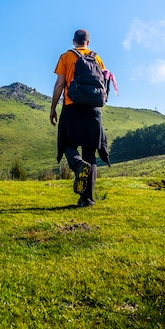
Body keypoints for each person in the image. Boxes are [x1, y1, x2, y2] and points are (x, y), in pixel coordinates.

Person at [49, 29, 110, 207]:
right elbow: (103, 85)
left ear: (74, 41)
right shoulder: (97, 58)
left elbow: (60, 83)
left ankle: (77, 166)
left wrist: (53, 108)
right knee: (90, 153)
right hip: (93, 111)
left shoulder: (66, 57)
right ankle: (87, 199)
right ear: (88, 43)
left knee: (68, 144)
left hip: (71, 107)